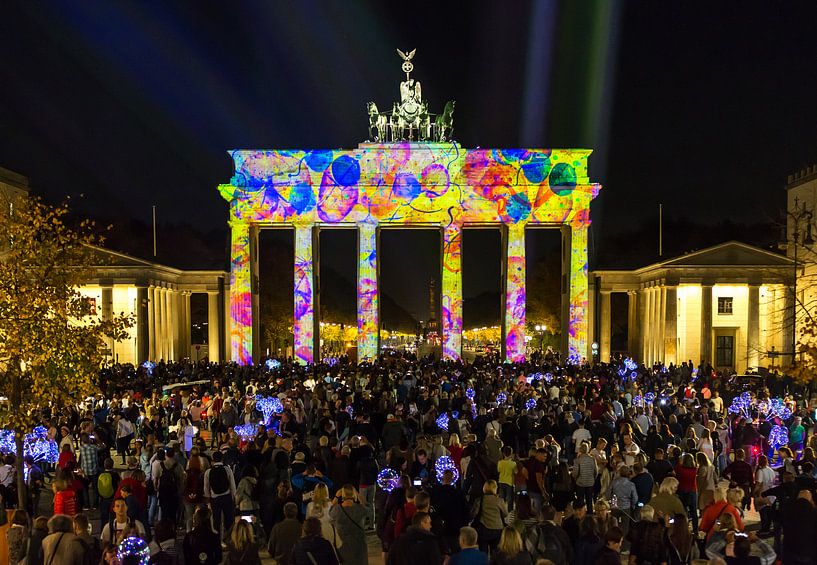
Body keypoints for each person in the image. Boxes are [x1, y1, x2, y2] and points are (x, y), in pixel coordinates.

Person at [330, 484, 368, 565]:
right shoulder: (359, 509)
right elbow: (367, 511)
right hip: (359, 544)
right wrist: (360, 499)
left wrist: (336, 497)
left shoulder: (337, 509)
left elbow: (330, 512)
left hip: (342, 544)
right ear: (354, 494)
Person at [203, 450, 236, 541]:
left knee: (216, 521)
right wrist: (234, 497)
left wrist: (208, 499)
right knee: (229, 519)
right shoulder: (227, 469)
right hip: (227, 497)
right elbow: (232, 485)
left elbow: (206, 487)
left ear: (213, 459)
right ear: (222, 458)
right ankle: (229, 539)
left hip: (214, 498)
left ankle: (217, 540)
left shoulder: (208, 471)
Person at [474, 480, 508, 554]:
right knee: (495, 552)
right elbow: (505, 514)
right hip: (497, 529)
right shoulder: (499, 500)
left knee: (483, 552)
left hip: (484, 528)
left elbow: (474, 513)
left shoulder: (480, 500)